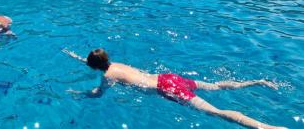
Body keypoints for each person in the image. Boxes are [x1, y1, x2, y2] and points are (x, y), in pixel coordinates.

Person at [63, 48, 284, 129]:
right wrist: (75, 56)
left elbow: (98, 94)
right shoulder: (116, 64)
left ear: (95, 67)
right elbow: (99, 63)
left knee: (215, 112)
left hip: (167, 88)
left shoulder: (109, 75)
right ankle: (257, 82)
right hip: (169, 77)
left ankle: (264, 127)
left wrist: (80, 94)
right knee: (216, 86)